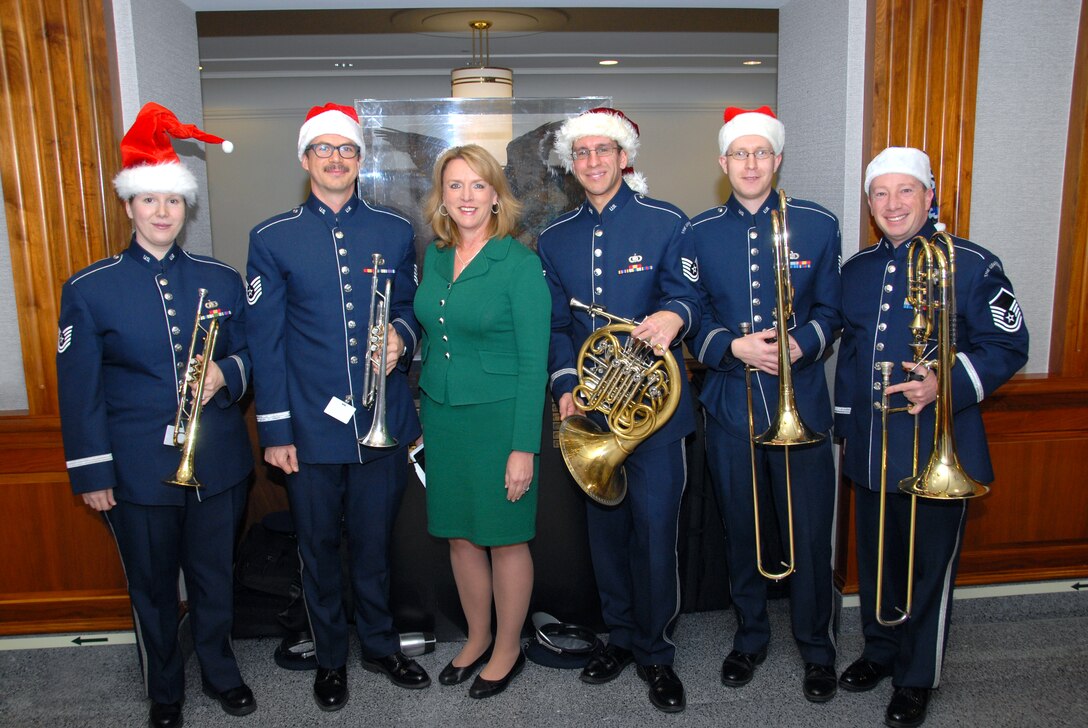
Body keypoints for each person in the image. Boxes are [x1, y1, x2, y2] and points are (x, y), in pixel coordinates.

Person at [56, 102, 255, 728]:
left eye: (173, 200)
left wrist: (230, 373)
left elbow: (254, 351)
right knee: (151, 585)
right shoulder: (90, 287)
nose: (162, 211)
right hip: (138, 467)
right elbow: (79, 387)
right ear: (130, 207)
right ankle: (164, 688)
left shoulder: (221, 279)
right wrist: (93, 473)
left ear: (185, 208)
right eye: (150, 200)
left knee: (214, 576)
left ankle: (220, 671)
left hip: (218, 459)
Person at [835, 147, 1028, 727]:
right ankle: (880, 650)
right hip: (873, 442)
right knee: (876, 561)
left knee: (928, 568)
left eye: (905, 192)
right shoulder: (858, 270)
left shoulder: (973, 263)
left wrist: (945, 383)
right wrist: (846, 426)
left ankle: (918, 676)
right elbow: (850, 356)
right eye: (880, 194)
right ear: (870, 204)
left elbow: (1007, 346)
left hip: (935, 440)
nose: (892, 204)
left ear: (929, 194)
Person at [245, 102, 428, 712]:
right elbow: (264, 343)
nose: (336, 158)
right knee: (319, 549)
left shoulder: (396, 230)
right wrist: (274, 429)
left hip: (383, 420)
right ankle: (330, 659)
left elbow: (412, 307)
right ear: (305, 159)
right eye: (323, 149)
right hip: (308, 428)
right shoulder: (271, 238)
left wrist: (404, 334)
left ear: (359, 159)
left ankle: (379, 646)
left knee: (376, 546)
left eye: (347, 149)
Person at [537, 107, 699, 713]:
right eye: (582, 154)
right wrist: (562, 386)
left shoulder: (667, 221)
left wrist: (674, 315)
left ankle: (657, 653)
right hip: (596, 413)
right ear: (572, 165)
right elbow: (556, 326)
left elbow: (691, 293)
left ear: (624, 156)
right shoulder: (555, 237)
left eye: (604, 150)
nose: (594, 162)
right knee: (606, 537)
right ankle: (621, 637)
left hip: (655, 414)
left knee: (655, 536)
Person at [687, 106, 842, 702]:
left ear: (777, 160)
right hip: (730, 400)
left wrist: (803, 343)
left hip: (801, 398)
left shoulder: (819, 224)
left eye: (761, 153)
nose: (750, 163)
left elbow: (832, 311)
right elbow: (690, 312)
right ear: (723, 164)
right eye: (738, 154)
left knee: (808, 531)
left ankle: (817, 646)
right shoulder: (697, 231)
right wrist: (732, 346)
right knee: (741, 528)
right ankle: (750, 636)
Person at [414, 144, 550, 699]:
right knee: (459, 538)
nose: (466, 196)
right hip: (445, 419)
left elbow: (532, 362)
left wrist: (524, 448)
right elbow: (435, 335)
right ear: (441, 197)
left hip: (500, 422)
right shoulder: (436, 257)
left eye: (477, 185)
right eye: (454, 186)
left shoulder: (518, 263)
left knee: (505, 539)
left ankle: (508, 647)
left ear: (497, 195)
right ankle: (475, 636)